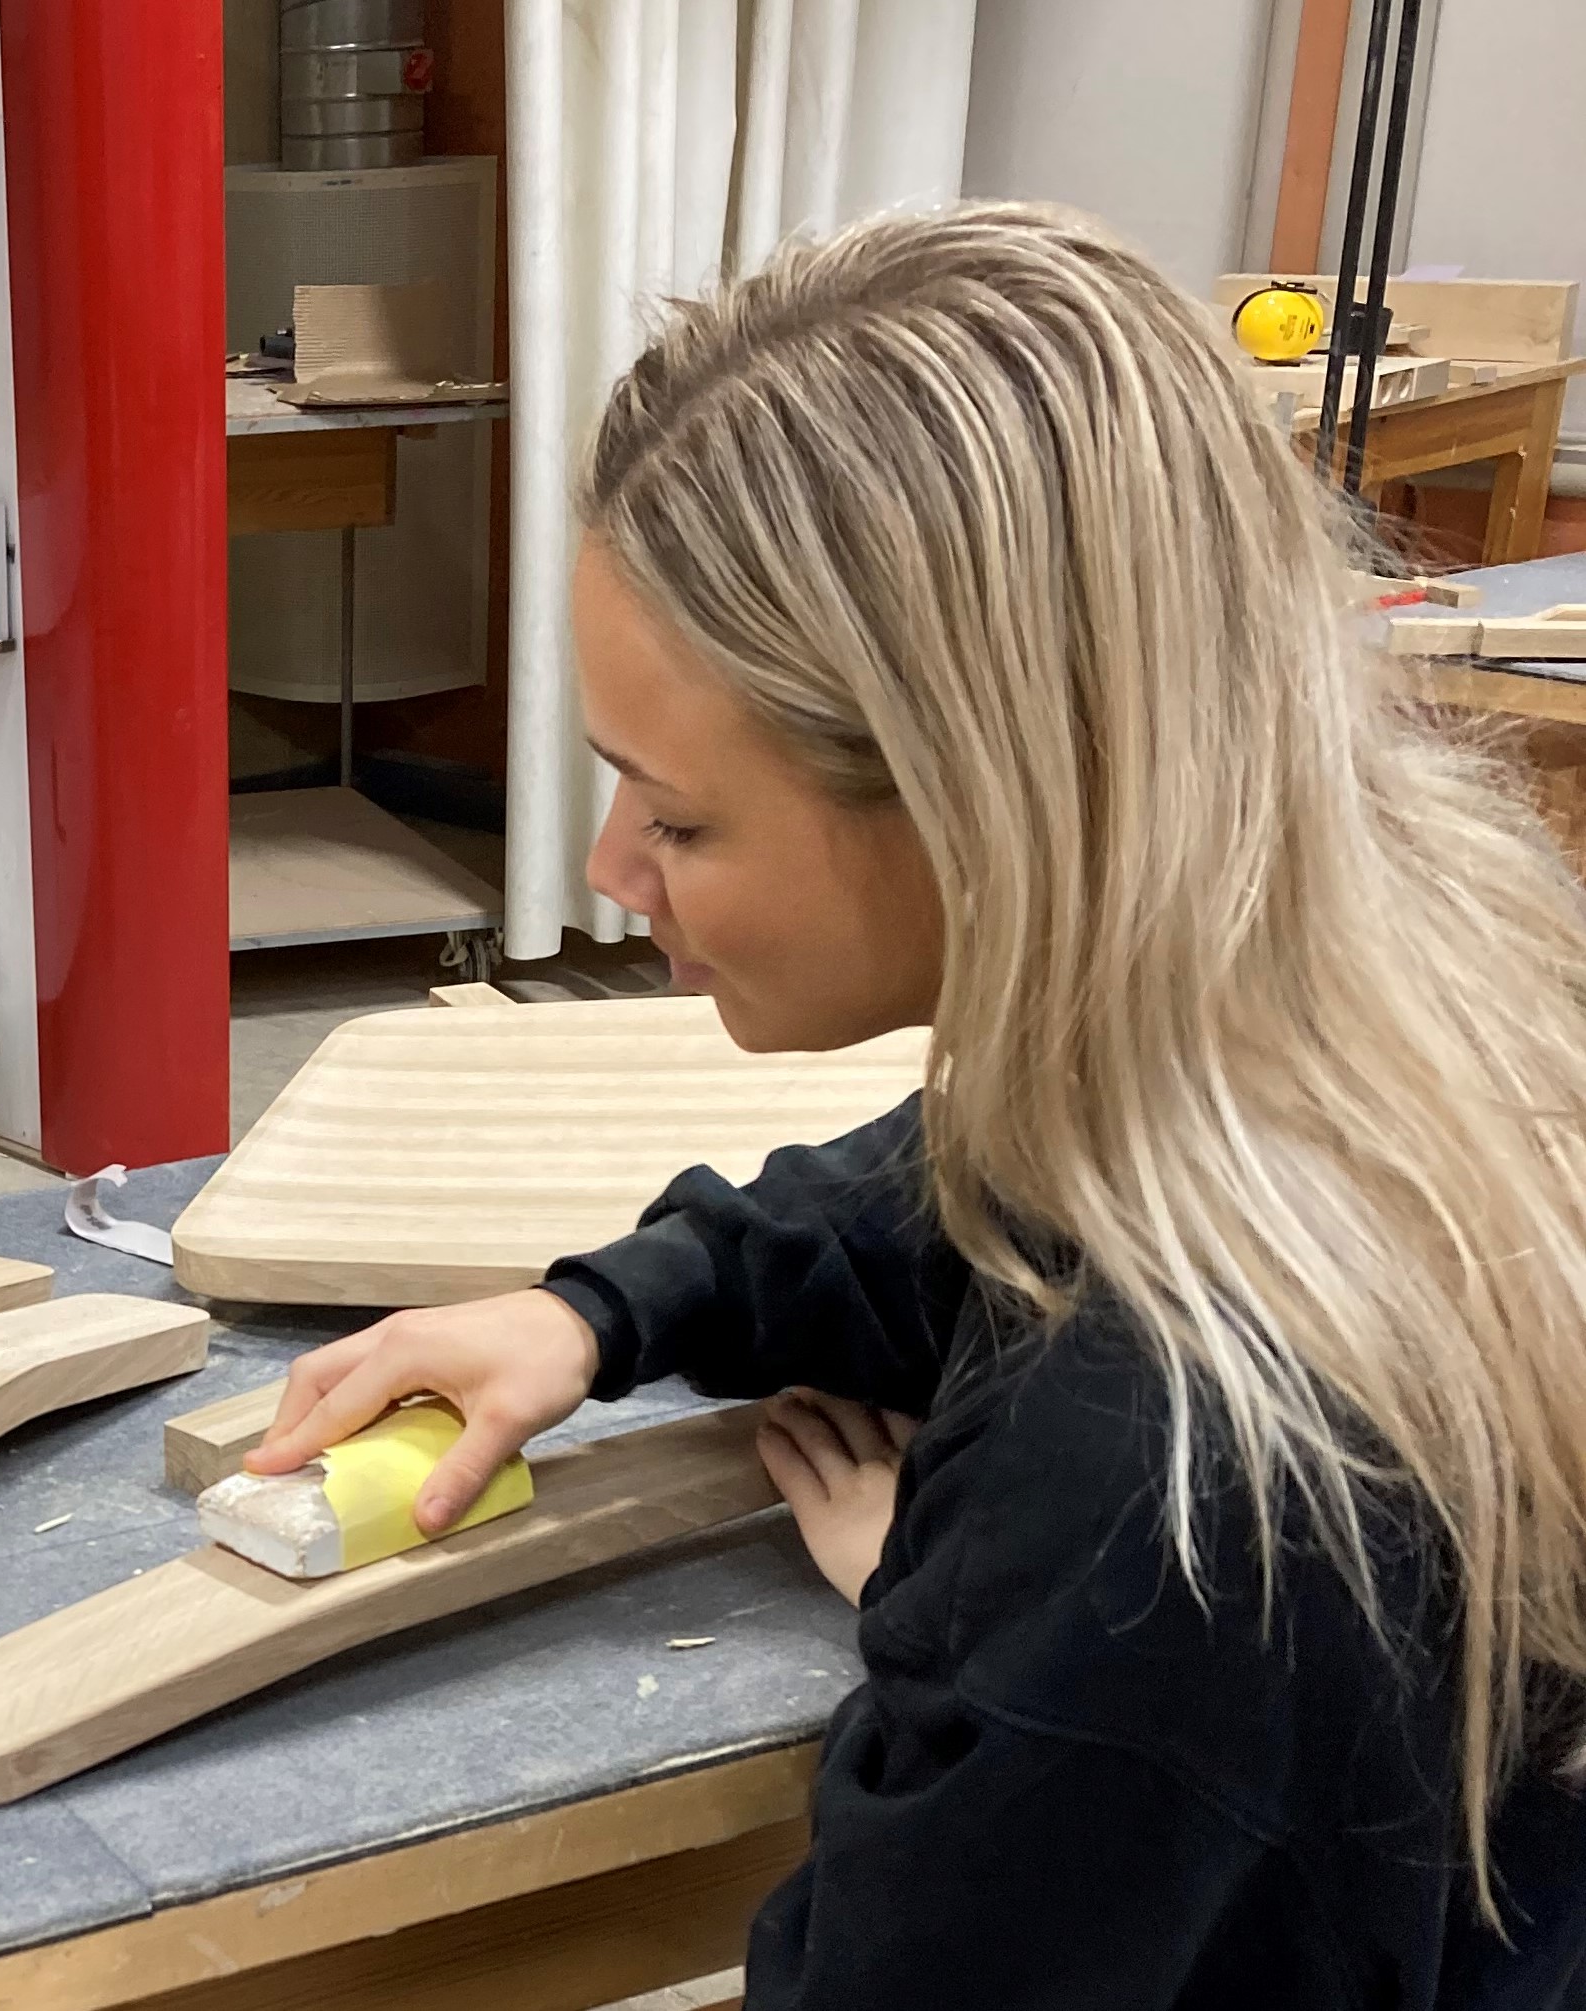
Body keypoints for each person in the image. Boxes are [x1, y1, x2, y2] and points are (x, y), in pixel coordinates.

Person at [250, 203, 1586, 2004]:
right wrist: (602, 1309)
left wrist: (955, 1636)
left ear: (981, 798)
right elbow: (950, 1184)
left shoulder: (1147, 1505)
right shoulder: (1375, 958)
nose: (608, 864)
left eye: (684, 814)